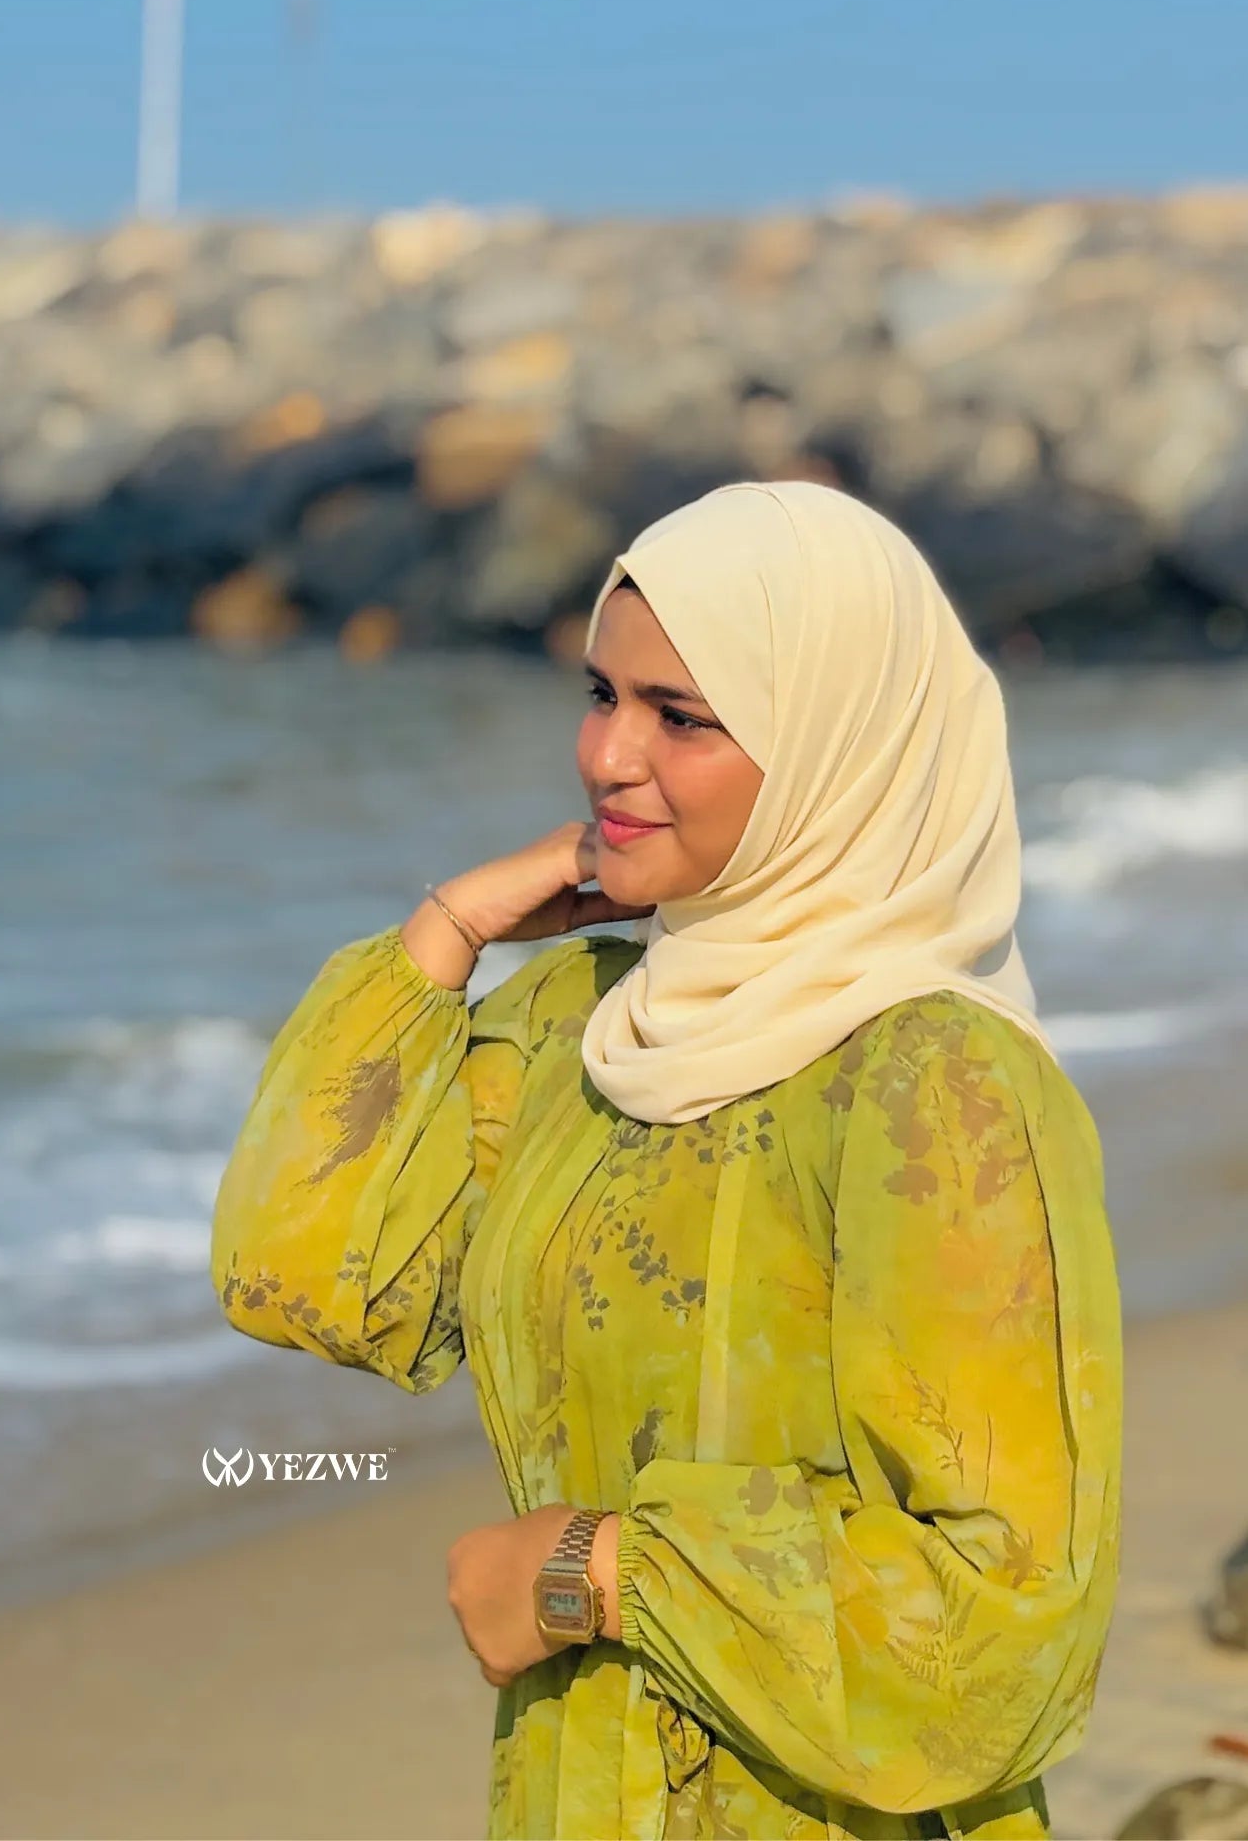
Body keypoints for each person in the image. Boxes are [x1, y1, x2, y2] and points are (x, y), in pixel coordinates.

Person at [209, 479, 1123, 1841]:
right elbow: (314, 1286)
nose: (607, 757)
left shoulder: (936, 1081)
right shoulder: (586, 1022)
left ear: (839, 750)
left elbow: (1004, 1624)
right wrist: (446, 934)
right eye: (601, 695)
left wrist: (596, 1570)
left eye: (683, 717)